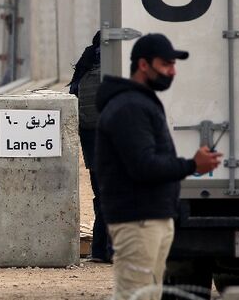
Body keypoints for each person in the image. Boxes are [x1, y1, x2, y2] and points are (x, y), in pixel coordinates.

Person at [94, 33, 222, 300]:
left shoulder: (140, 101)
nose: (172, 72)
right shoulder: (128, 106)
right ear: (143, 65)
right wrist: (191, 165)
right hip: (137, 221)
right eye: (165, 64)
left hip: (151, 217)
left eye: (173, 65)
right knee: (136, 295)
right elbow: (144, 165)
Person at [69, 30, 112, 263]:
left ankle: (100, 249)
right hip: (112, 143)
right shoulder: (114, 69)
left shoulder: (84, 68)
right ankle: (110, 251)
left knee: (100, 195)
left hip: (91, 142)